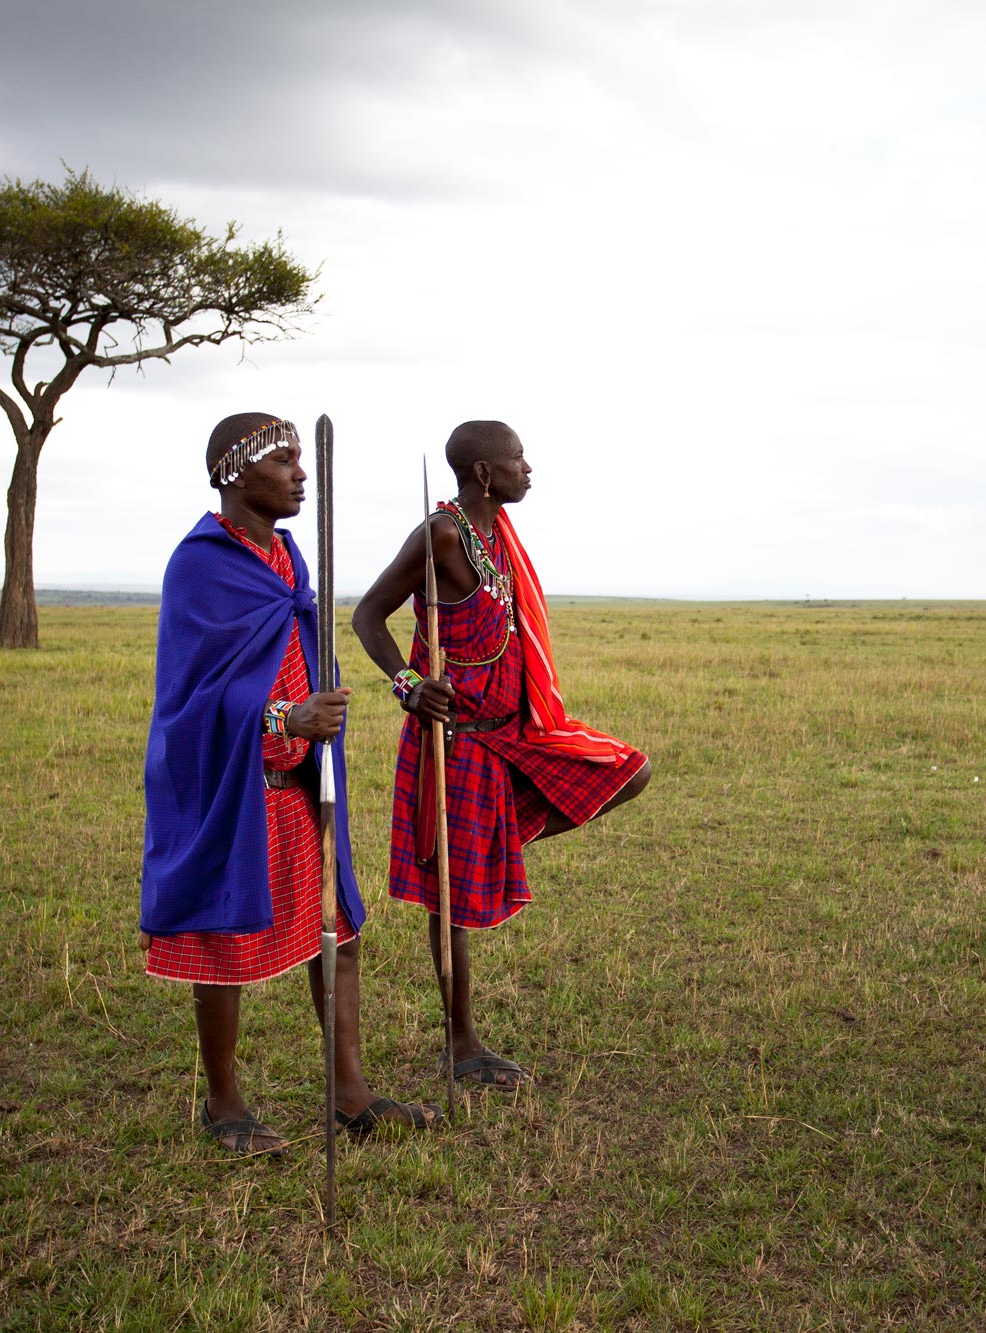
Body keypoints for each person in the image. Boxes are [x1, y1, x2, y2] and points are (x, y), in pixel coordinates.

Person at [141, 411, 440, 1155]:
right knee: (225, 937)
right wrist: (284, 717)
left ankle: (349, 1092)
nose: (300, 473)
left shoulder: (290, 559)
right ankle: (224, 1103)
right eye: (283, 460)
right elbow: (192, 699)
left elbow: (296, 645)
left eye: (303, 460)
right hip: (236, 786)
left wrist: (321, 714)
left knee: (336, 934)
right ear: (235, 473)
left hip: (302, 784)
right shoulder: (201, 564)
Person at [352, 420, 651, 1089]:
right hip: (453, 736)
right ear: (485, 472)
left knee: (628, 769)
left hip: (515, 729)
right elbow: (369, 614)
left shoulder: (498, 537)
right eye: (518, 459)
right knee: (450, 897)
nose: (529, 469)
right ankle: (460, 1043)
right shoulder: (443, 535)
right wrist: (408, 684)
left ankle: (495, 844)